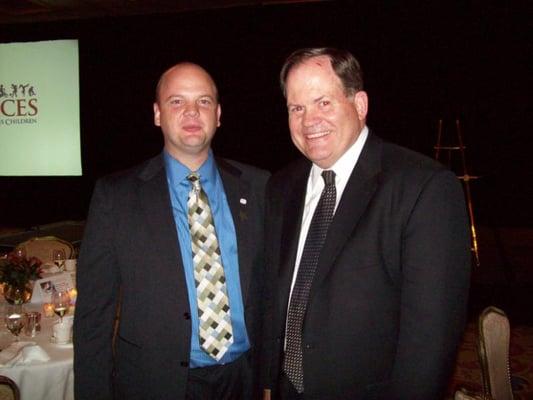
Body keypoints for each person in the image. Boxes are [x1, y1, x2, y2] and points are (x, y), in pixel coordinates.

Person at [263, 47, 471, 400]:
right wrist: (268, 383)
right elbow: (274, 297)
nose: (308, 120)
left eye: (323, 102)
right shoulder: (281, 186)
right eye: (296, 108)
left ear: (359, 105)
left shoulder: (423, 187)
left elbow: (430, 340)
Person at [74, 62, 269, 400]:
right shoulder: (116, 196)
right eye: (177, 101)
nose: (192, 111)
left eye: (204, 101)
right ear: (157, 114)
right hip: (155, 384)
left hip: (245, 380)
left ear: (218, 114)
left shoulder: (261, 187)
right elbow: (93, 317)